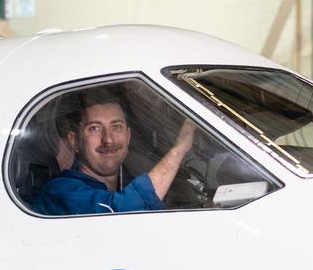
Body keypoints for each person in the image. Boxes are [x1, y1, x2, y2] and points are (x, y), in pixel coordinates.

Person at [34, 89, 196, 215]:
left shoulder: (124, 185)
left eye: (116, 126)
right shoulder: (60, 191)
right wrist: (179, 148)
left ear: (128, 136)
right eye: (94, 128)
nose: (108, 139)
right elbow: (120, 213)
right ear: (74, 141)